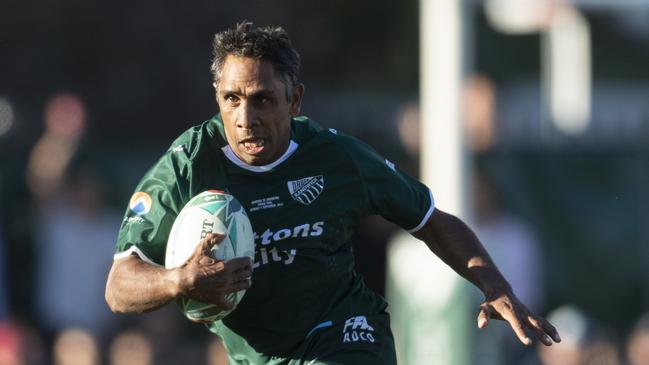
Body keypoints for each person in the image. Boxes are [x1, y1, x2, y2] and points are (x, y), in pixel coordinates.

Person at [105, 22, 560, 364]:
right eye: (232, 99)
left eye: (262, 98)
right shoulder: (188, 165)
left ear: (295, 100)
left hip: (347, 334)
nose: (245, 117)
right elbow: (119, 285)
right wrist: (180, 280)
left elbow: (429, 219)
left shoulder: (338, 158)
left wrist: (493, 284)